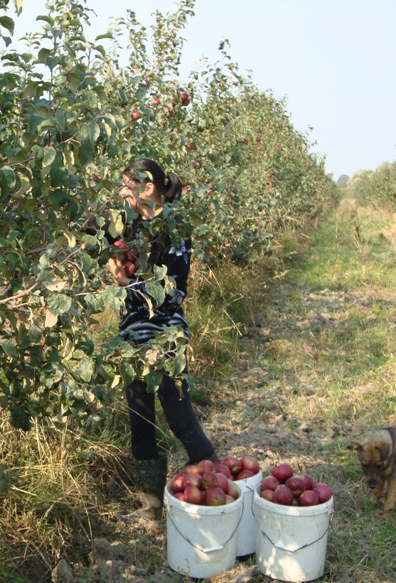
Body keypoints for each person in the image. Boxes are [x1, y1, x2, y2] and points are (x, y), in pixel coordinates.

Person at [106, 158, 217, 521]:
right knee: (139, 417)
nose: (122, 191)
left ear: (148, 187)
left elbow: (171, 297)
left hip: (167, 339)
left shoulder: (173, 231)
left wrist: (125, 284)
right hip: (132, 337)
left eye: (127, 184)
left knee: (178, 413)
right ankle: (151, 507)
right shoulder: (128, 227)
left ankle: (215, 485)